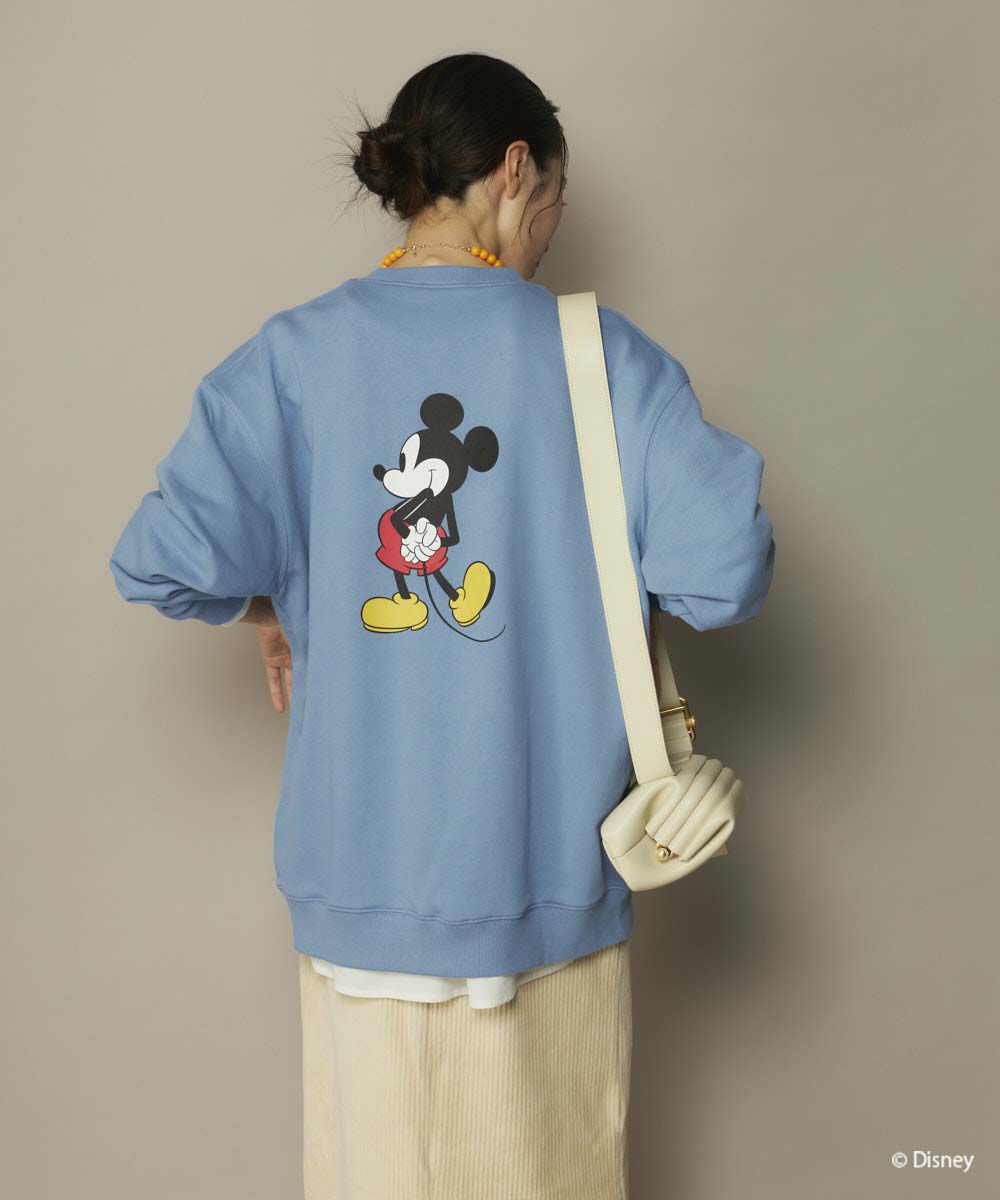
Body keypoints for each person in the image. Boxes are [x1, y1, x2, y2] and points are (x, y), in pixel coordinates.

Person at [109, 51, 775, 1200]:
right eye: (552, 199)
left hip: (355, 901)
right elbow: (724, 577)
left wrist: (275, 597)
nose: (550, 233)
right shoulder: (606, 362)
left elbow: (161, 558)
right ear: (516, 171)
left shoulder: (294, 357)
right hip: (545, 894)